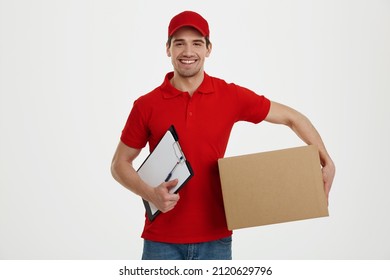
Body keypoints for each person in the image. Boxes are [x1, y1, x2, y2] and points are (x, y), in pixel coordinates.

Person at [111, 11, 335, 260]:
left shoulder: (229, 96)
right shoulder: (146, 105)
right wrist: (150, 193)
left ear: (208, 49)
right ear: (168, 49)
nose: (188, 51)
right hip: (161, 240)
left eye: (197, 43)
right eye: (179, 43)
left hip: (216, 239)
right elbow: (119, 164)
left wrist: (326, 160)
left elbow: (294, 118)